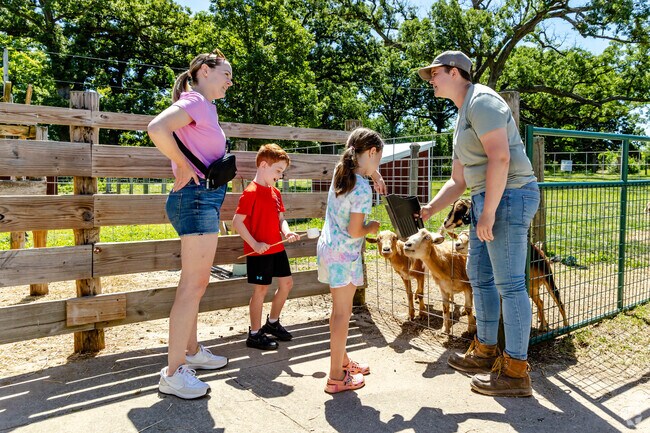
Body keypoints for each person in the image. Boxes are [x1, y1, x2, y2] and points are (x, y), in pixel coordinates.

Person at [417, 51, 540, 397]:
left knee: (511, 285)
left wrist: (488, 214)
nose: (431, 79)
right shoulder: (462, 115)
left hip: (510, 196)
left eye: (435, 73)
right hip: (488, 198)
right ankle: (485, 351)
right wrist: (430, 208)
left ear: (455, 73)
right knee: (481, 277)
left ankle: (516, 372)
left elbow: (500, 158)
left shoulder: (482, 101)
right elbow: (458, 181)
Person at [147, 48, 233, 399]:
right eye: (225, 73)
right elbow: (156, 127)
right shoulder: (195, 100)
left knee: (196, 284)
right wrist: (182, 165)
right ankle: (172, 373)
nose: (230, 81)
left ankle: (192, 352)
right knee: (192, 286)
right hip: (195, 198)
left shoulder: (205, 106)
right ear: (203, 70)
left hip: (204, 198)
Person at [317, 127, 384, 394]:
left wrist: (374, 172)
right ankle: (336, 377)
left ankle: (343, 361)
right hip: (345, 254)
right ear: (371, 152)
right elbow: (357, 230)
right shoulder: (362, 189)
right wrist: (373, 226)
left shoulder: (340, 173)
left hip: (329, 249)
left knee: (338, 311)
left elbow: (357, 163)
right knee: (343, 315)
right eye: (378, 160)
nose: (377, 166)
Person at [232, 144, 300, 351]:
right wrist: (255, 244)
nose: (280, 176)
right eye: (278, 171)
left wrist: (286, 232)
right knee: (260, 290)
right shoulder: (250, 192)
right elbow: (237, 222)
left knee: (286, 284)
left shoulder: (275, 193)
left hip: (277, 249)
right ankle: (254, 334)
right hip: (258, 251)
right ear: (263, 165)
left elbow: (281, 220)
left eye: (282, 172)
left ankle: (272, 322)